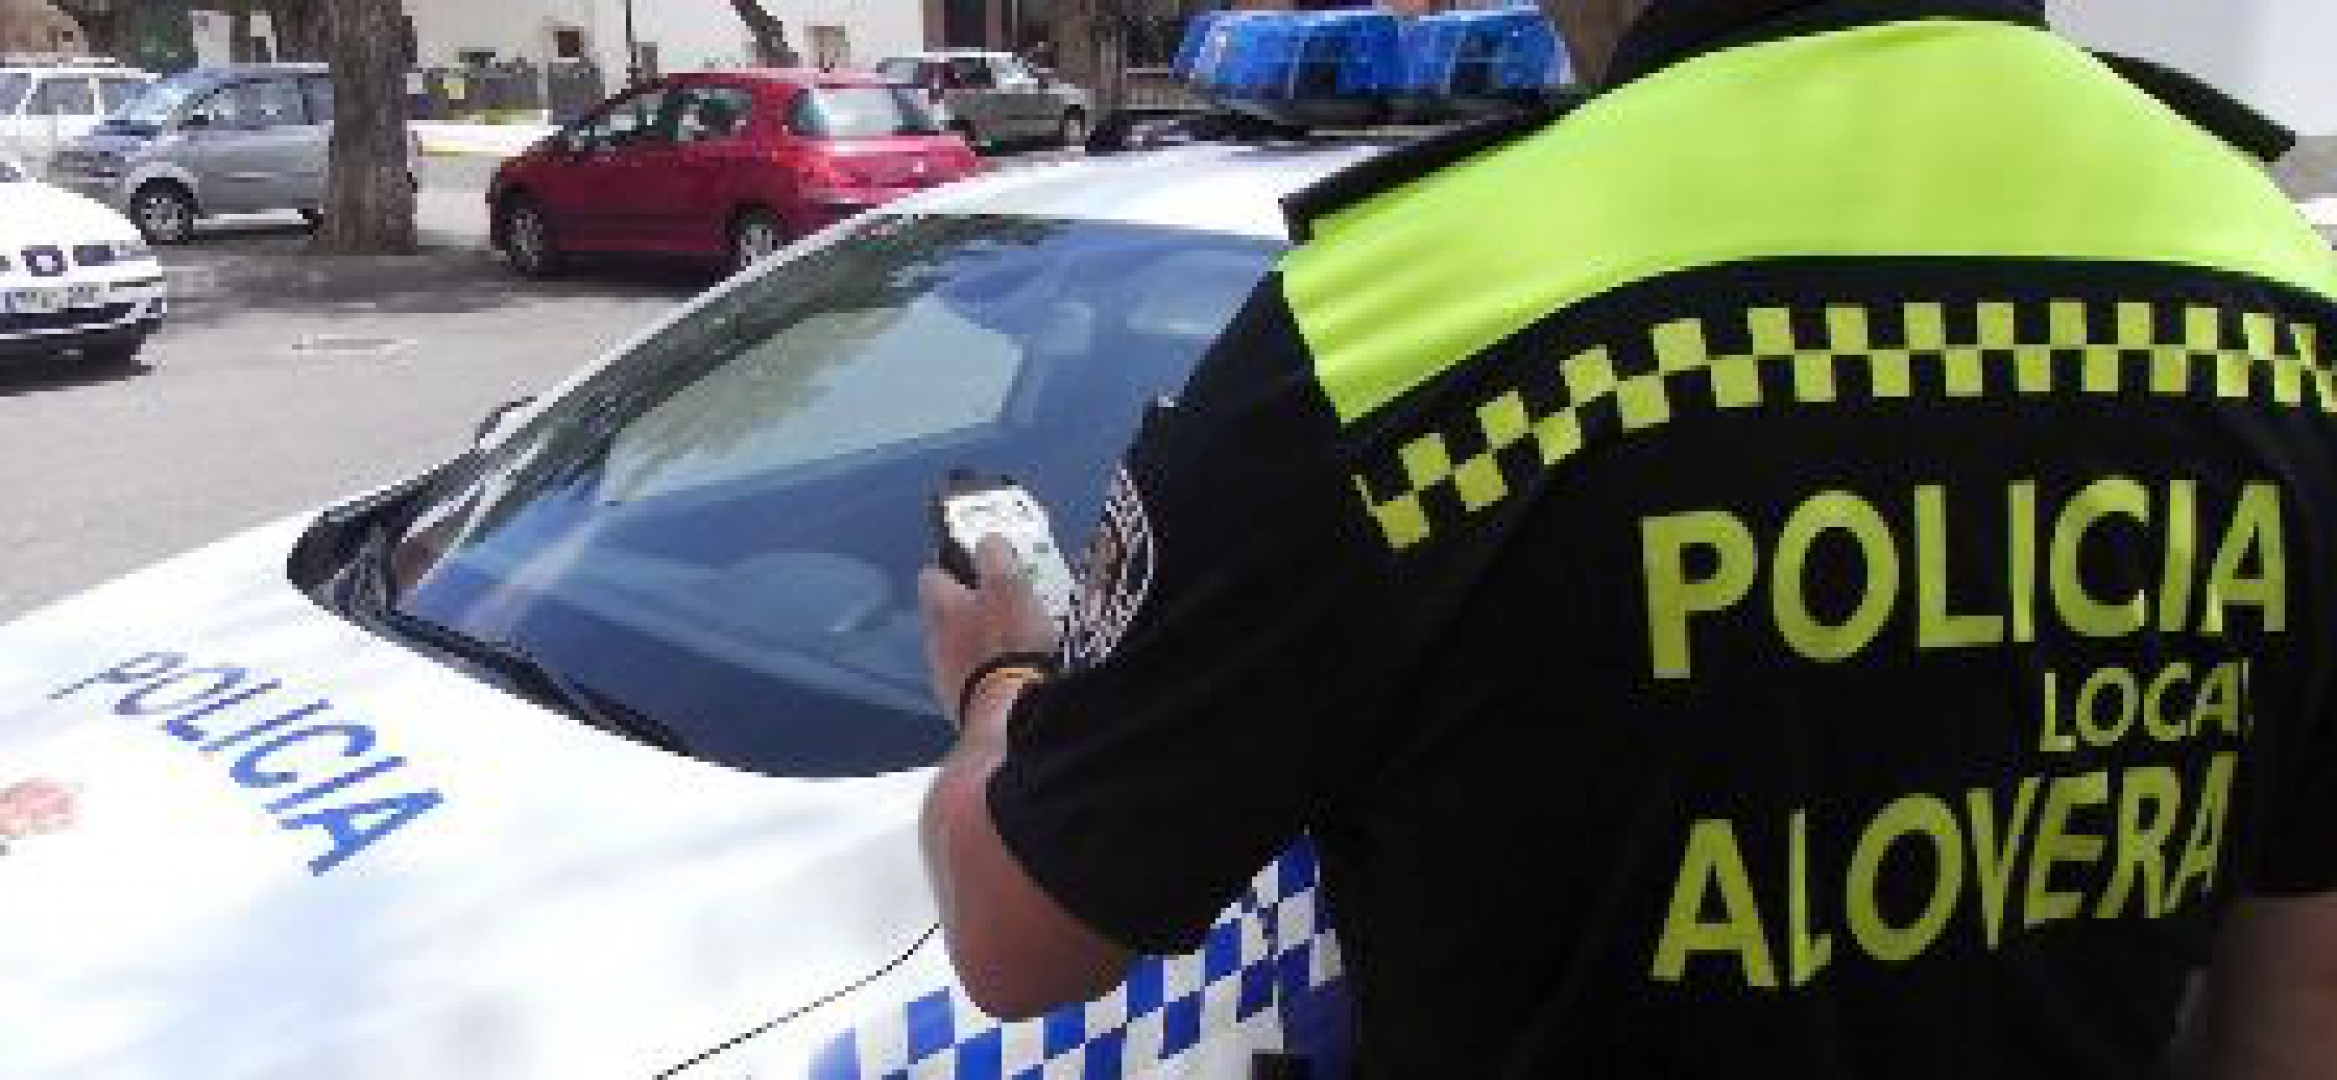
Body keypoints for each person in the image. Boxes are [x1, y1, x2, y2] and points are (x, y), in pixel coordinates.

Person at [919, 0, 2337, 1075]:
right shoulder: (2283, 297)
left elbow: (1020, 935)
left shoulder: (1406, 322)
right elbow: (2302, 995)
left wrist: (999, 683)